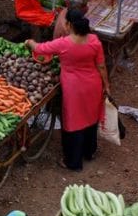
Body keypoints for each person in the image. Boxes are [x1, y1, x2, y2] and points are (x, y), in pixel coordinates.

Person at [25, 9, 109, 171]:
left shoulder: (64, 43)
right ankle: (89, 153)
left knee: (73, 123)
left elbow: (41, 49)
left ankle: (73, 162)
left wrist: (29, 42)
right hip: (93, 85)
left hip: (74, 89)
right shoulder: (94, 41)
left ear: (69, 25)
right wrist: (107, 86)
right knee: (91, 119)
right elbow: (101, 66)